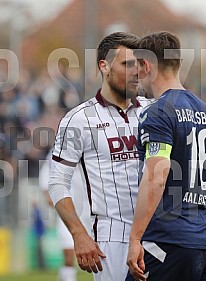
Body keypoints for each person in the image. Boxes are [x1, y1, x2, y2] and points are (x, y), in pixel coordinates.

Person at [126, 31, 206, 281]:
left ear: (146, 65)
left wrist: (135, 239)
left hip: (168, 243)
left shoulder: (158, 112)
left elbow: (157, 176)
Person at [48, 32, 152, 281]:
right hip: (111, 237)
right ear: (104, 66)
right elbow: (57, 182)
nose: (136, 71)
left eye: (138, 64)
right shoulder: (79, 119)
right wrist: (78, 234)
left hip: (157, 234)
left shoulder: (154, 110)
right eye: (127, 64)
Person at [39, 151, 91, 281]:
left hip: (91, 212)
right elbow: (46, 175)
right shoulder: (56, 151)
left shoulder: (91, 147)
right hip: (67, 211)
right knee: (68, 255)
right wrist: (48, 194)